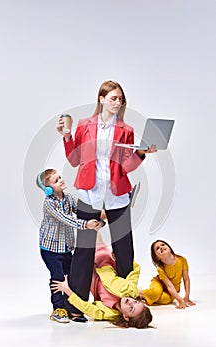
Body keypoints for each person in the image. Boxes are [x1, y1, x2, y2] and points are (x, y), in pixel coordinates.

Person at [57, 80, 157, 321]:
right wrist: (67, 136)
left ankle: (126, 299)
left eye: (120, 99)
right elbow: (73, 160)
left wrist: (142, 153)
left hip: (117, 194)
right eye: (112, 98)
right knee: (84, 249)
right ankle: (77, 306)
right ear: (101, 98)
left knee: (124, 248)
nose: (117, 102)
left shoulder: (126, 129)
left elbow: (126, 166)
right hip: (89, 193)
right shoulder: (84, 125)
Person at [36, 168, 103, 323]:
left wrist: (94, 218)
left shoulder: (68, 198)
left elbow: (79, 210)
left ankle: (71, 307)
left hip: (65, 247)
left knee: (71, 277)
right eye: (56, 180)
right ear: (48, 189)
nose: (61, 180)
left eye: (60, 177)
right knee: (58, 277)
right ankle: (58, 309)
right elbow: (67, 219)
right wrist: (86, 225)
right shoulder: (50, 204)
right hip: (50, 249)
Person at [50, 234, 153, 329]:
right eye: (135, 302)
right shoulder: (132, 290)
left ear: (126, 317)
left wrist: (66, 289)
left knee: (82, 240)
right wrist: (117, 260)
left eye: (131, 308)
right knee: (93, 230)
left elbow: (86, 308)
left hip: (88, 271)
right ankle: (95, 216)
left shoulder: (107, 313)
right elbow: (136, 269)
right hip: (103, 259)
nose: (130, 301)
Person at [140, 240, 196, 309]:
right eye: (157, 248)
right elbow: (169, 286)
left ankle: (147, 296)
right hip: (159, 283)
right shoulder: (161, 269)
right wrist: (180, 300)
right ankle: (139, 293)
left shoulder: (182, 260)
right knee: (156, 292)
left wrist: (186, 297)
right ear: (157, 257)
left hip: (172, 289)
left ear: (169, 248)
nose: (161, 247)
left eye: (163, 245)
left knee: (166, 300)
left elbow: (186, 279)